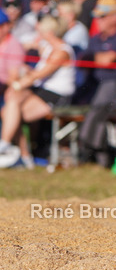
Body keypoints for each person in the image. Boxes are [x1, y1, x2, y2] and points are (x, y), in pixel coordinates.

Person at [0, 16, 76, 168]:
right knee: (10, 108)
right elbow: (35, 74)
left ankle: (10, 149)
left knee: (12, 111)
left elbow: (39, 75)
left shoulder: (62, 52)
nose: (37, 34)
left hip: (56, 95)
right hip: (42, 91)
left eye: (40, 31)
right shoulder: (48, 48)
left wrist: (17, 84)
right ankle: (19, 153)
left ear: (49, 32)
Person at [78, 0, 116, 167]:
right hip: (95, 86)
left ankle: (88, 149)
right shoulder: (96, 38)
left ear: (115, 17)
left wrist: (92, 58)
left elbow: (107, 60)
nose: (98, 21)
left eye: (103, 16)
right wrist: (94, 58)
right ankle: (89, 149)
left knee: (100, 107)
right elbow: (84, 59)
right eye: (98, 17)